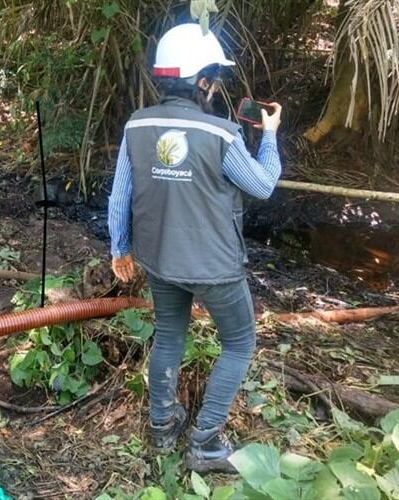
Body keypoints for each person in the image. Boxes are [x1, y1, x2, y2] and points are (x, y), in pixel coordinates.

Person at [108, 23, 282, 473]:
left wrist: (119, 248)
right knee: (240, 343)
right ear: (202, 81)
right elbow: (263, 186)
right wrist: (270, 135)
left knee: (169, 334)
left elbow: (120, 196)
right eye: (214, 79)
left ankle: (163, 428)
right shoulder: (223, 133)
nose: (215, 87)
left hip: (158, 259)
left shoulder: (136, 124)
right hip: (215, 267)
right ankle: (205, 444)